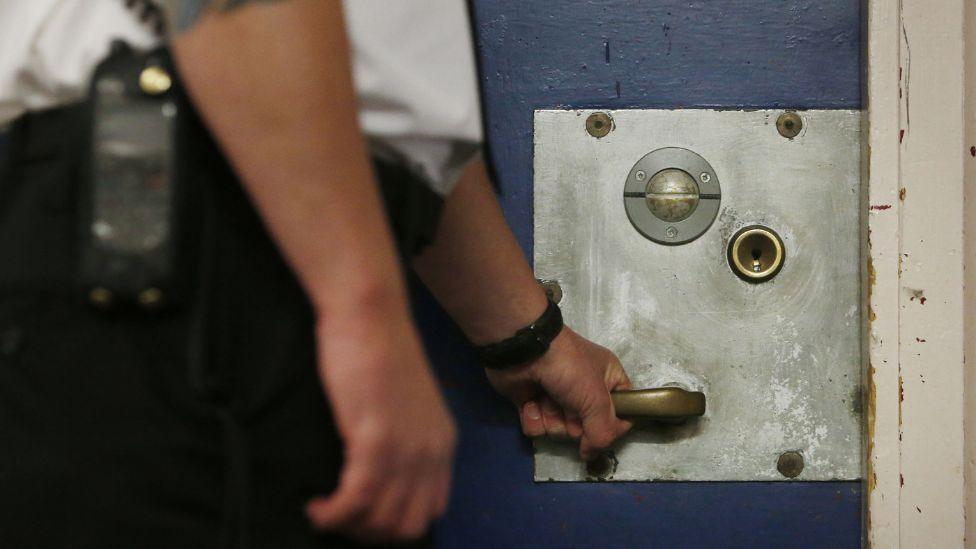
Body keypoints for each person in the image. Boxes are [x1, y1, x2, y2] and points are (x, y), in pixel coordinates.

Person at [0, 1, 633, 547]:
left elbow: (386, 107)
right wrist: (362, 308)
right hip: (177, 258)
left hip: (239, 252)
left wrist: (524, 336)